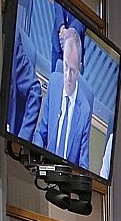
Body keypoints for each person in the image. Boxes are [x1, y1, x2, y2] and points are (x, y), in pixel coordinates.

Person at [33, 26, 94, 166]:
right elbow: (41, 132)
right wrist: (37, 152)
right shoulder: (54, 83)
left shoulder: (85, 109)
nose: (67, 76)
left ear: (79, 68)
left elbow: (83, 163)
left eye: (72, 70)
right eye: (65, 67)